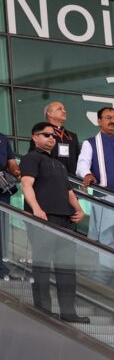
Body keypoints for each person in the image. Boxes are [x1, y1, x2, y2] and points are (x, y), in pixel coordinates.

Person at [20, 122, 88, 323]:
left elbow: (69, 191)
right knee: (42, 264)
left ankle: (68, 311)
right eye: (46, 135)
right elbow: (26, 184)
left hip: (65, 219)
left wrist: (79, 209)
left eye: (53, 136)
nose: (51, 138)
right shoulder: (31, 158)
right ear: (35, 137)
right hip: (44, 218)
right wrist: (36, 209)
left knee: (67, 267)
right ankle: (42, 309)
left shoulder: (58, 163)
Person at [76, 107, 114, 275]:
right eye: (108, 117)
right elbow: (82, 163)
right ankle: (107, 275)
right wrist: (87, 174)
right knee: (106, 236)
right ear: (99, 121)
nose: (112, 121)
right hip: (104, 195)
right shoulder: (90, 142)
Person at [30, 101, 79, 175]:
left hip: (72, 181)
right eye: (59, 109)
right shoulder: (42, 135)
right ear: (49, 114)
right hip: (50, 178)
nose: (64, 111)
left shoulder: (72, 136)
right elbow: (33, 159)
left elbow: (78, 160)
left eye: (64, 109)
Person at [0, 132, 21, 277]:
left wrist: (17, 172)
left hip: (2, 190)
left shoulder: (2, 138)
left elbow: (11, 161)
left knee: (2, 229)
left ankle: (1, 268)